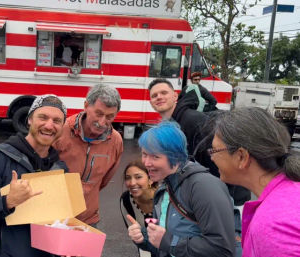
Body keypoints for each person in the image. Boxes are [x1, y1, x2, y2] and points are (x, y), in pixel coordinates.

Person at [0, 95, 68, 257]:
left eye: (57, 120)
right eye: (43, 117)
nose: (49, 125)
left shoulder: (59, 168)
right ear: (30, 119)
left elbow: (58, 221)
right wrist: (7, 202)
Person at [127, 121, 235, 257]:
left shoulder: (204, 187)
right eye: (144, 154)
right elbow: (165, 247)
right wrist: (144, 239)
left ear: (175, 157)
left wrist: (168, 241)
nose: (146, 163)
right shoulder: (165, 186)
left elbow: (222, 249)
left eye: (155, 156)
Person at [211, 107, 300, 257]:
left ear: (241, 157)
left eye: (214, 151)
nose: (212, 158)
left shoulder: (272, 226)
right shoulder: (289, 190)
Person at [148, 78, 250, 206]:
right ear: (151, 103)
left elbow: (217, 160)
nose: (159, 97)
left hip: (228, 196)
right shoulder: (173, 123)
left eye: (164, 93)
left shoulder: (192, 120)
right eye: (154, 95)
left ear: (175, 96)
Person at [54, 84, 123, 226]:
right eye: (99, 114)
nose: (102, 122)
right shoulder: (61, 131)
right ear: (86, 105)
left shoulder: (116, 142)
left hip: (88, 220)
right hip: (54, 217)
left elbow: (104, 180)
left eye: (110, 117)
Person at [120, 159, 157, 257]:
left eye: (138, 177)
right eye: (128, 178)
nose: (132, 183)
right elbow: (137, 238)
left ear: (151, 179)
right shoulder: (126, 200)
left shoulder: (166, 198)